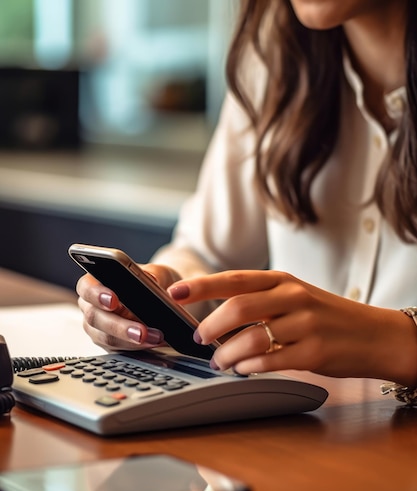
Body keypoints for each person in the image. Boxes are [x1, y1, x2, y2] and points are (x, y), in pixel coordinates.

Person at [77, 0, 417, 402]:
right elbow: (210, 254)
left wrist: (397, 342)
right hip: (303, 442)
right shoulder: (272, 62)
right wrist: (165, 296)